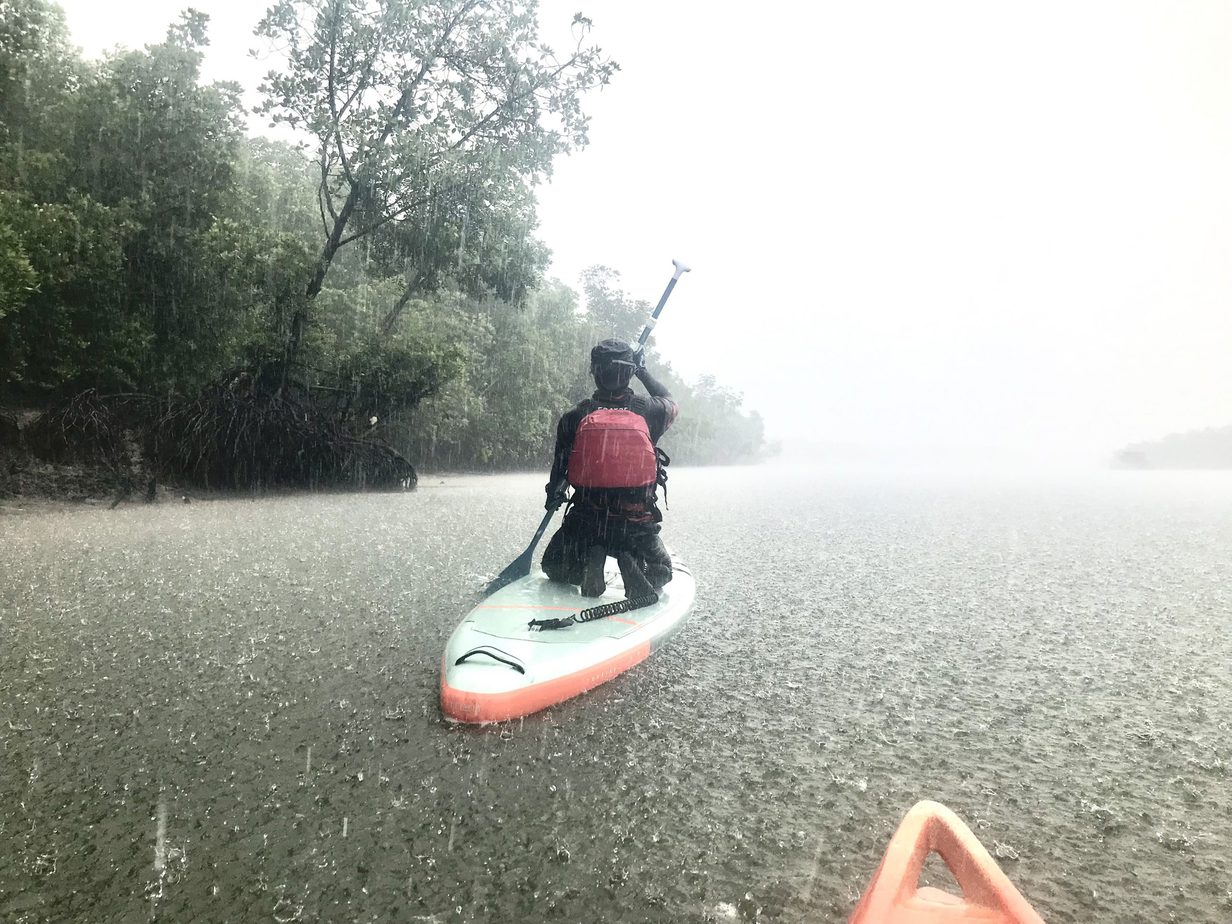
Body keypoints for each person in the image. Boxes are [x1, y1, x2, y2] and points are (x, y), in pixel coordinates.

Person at [541, 339, 678, 598]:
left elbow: (559, 473)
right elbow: (669, 400)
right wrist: (643, 370)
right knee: (661, 572)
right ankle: (628, 557)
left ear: (594, 372)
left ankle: (592, 557)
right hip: (635, 526)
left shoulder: (575, 416)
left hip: (587, 523)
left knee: (555, 567)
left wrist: (554, 494)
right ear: (629, 372)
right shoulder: (651, 411)